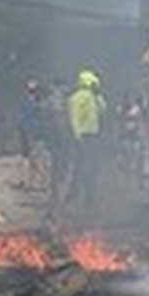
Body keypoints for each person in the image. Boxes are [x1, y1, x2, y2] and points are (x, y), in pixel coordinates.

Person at [66, 68, 108, 210]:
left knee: (91, 167)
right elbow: (74, 117)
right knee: (82, 167)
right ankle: (74, 196)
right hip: (84, 136)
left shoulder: (93, 97)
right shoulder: (77, 97)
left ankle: (88, 196)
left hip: (92, 135)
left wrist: (98, 96)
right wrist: (77, 135)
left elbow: (103, 110)